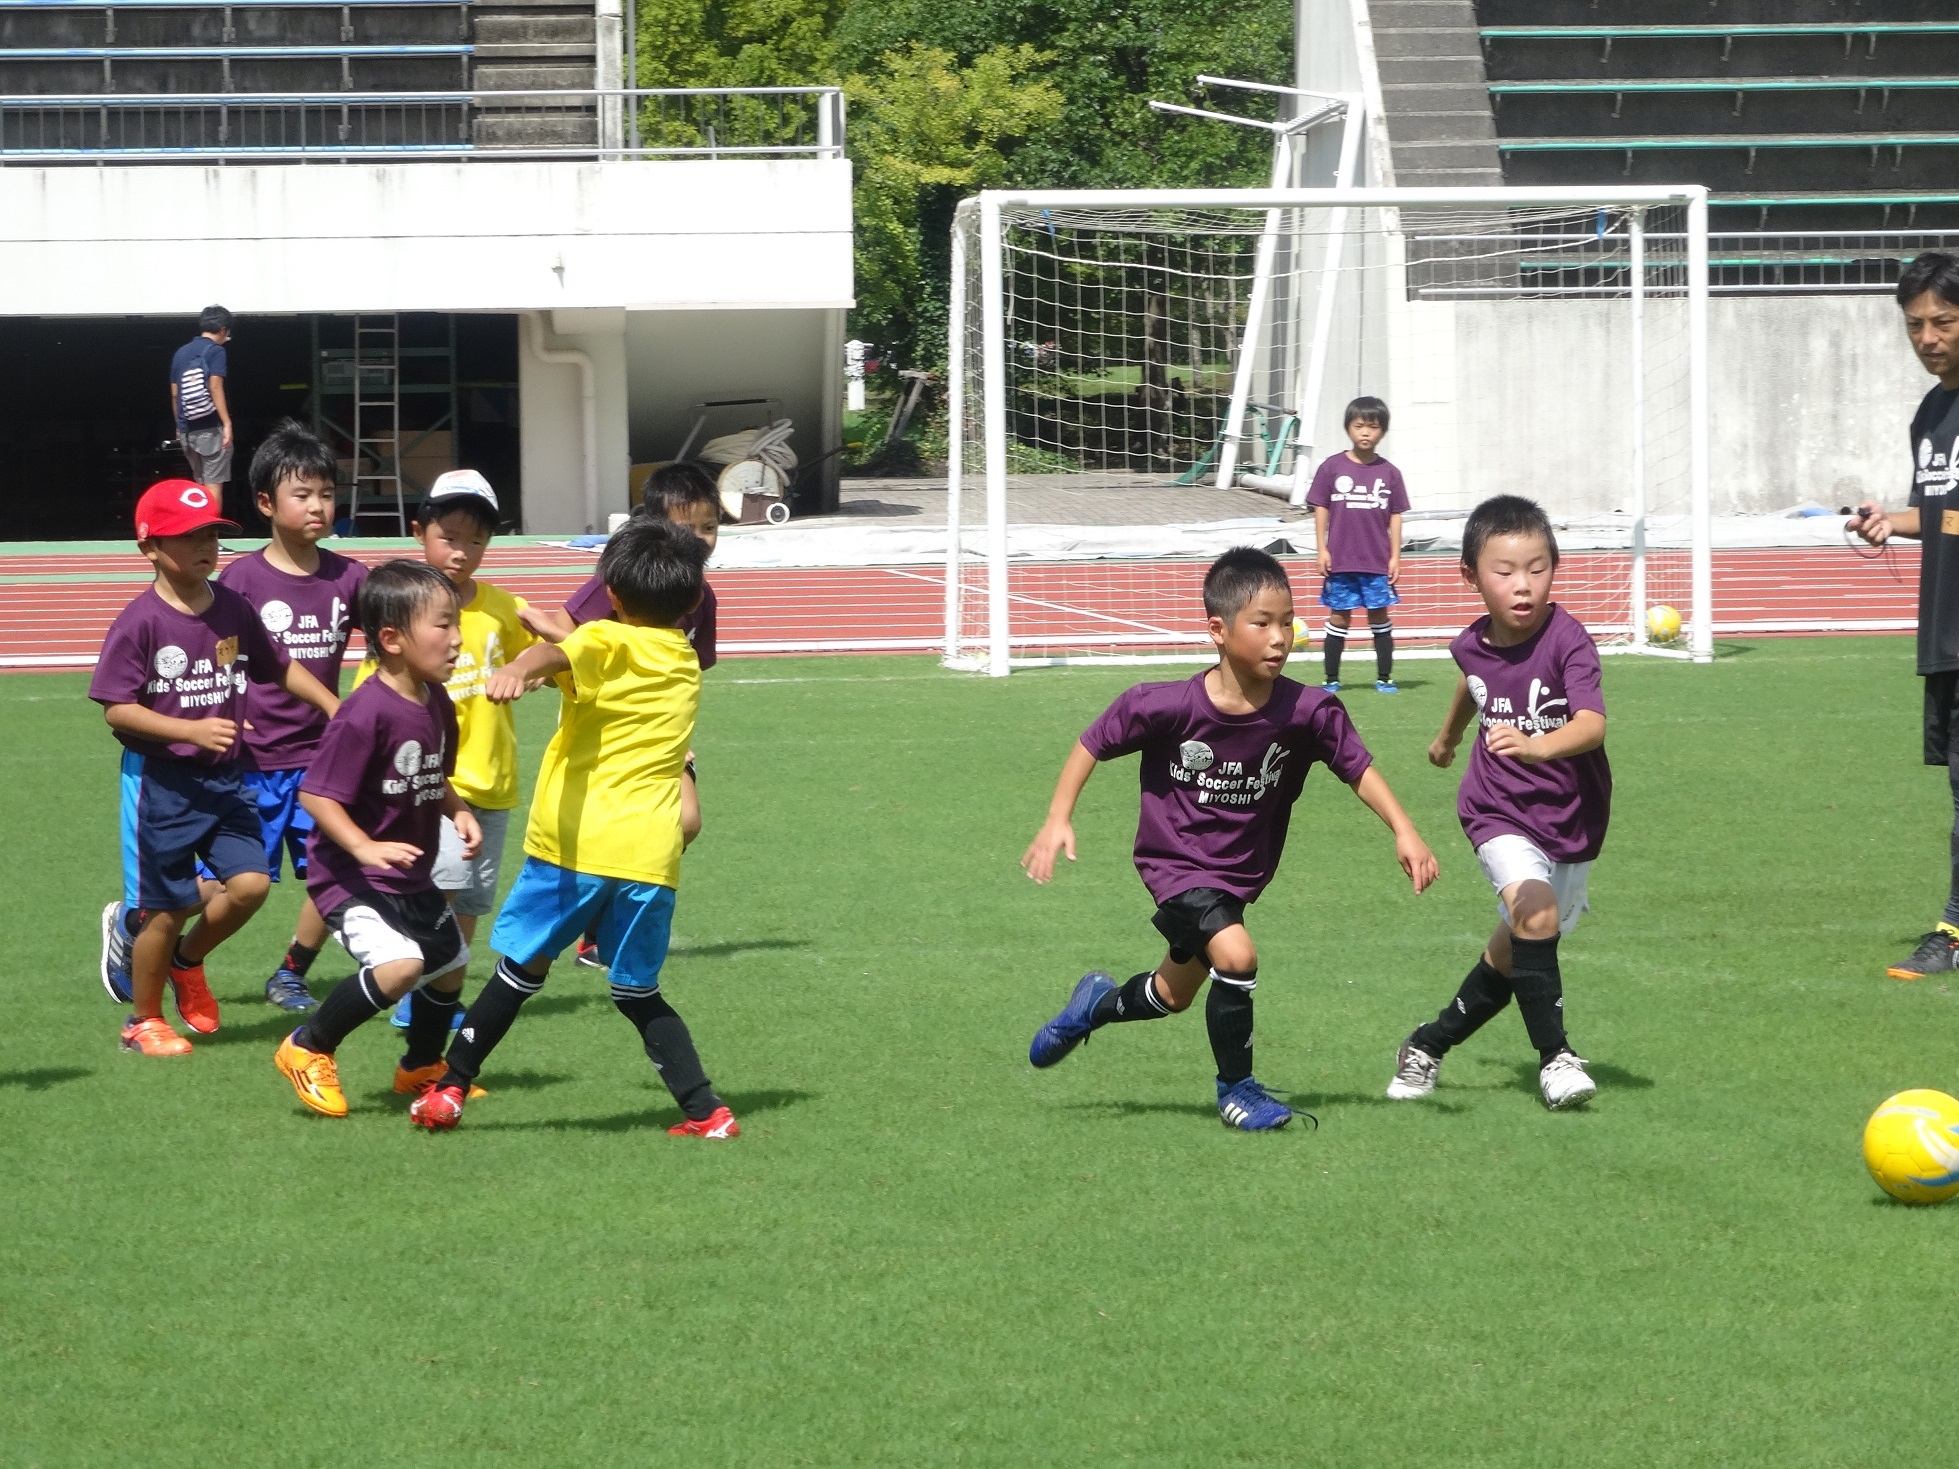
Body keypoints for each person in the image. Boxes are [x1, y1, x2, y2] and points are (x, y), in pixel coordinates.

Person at [1019, 546, 1439, 1131]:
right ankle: (1237, 1090)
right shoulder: (1160, 705)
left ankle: (1091, 1007)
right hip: (1176, 865)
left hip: (1235, 876)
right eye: (1261, 622)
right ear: (1217, 630)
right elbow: (1092, 742)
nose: (1279, 636)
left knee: (1171, 994)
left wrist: (1406, 831)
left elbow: (1357, 769)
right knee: (1237, 956)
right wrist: (1057, 818)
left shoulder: (1309, 713)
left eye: (1287, 621)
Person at [405, 517, 736, 1138]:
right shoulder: (683, 661)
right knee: (637, 992)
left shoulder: (603, 641)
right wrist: (556, 639)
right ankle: (707, 1111)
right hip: (650, 855)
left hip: (576, 847)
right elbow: (593, 655)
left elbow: (563, 652)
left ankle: (448, 1088)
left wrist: (519, 670)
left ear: (610, 594)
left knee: (519, 971)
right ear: (693, 601)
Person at [91, 479, 340, 1056]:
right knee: (169, 905)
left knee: (251, 885)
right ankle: (143, 1022)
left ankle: (188, 961)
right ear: (149, 546)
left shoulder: (232, 606)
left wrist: (334, 707)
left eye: (212, 535)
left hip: (226, 778)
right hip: (161, 784)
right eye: (187, 536)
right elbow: (116, 709)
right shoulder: (140, 621)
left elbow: (278, 666)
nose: (205, 547)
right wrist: (190, 730)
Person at [1384, 495, 1609, 1111]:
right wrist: (1448, 737)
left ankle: (1426, 1046)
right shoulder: (1472, 643)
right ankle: (1556, 1059)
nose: (1523, 585)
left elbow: (1591, 724)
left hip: (1571, 816)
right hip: (1495, 809)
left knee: (1516, 951)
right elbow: (1473, 678)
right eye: (1504, 571)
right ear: (1470, 576)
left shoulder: (1569, 639)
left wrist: (1538, 747)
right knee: (1534, 914)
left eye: (1537, 568)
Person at [273, 561, 483, 1117]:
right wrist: (363, 847)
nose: (457, 638)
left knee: (449, 959)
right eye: (442, 625)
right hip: (350, 876)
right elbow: (317, 796)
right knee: (401, 966)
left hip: (406, 873)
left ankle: (419, 1066)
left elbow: (433, 777)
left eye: (456, 623)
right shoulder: (364, 713)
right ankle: (307, 1046)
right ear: (391, 639)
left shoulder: (437, 701)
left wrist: (458, 810)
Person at [520, 462, 721, 967]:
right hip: (606, 734)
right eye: (686, 527)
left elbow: (690, 671)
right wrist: (552, 662)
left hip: (659, 736)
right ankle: (591, 929)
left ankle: (604, 927)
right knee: (607, 832)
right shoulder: (617, 583)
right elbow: (563, 631)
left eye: (709, 526)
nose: (700, 538)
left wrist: (676, 726)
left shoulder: (700, 596)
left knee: (688, 822)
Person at [354, 470, 530, 1028]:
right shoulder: (403, 613)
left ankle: (442, 993)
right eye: (449, 536)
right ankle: (419, 998)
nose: (461, 551)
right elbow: (367, 690)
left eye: (475, 540)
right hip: (432, 785)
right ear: (419, 532)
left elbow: (541, 657)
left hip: (494, 780)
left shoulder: (504, 607)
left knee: (473, 900)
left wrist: (524, 673)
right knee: (443, 893)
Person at [213, 420, 368, 1013]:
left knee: (338, 867)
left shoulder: (349, 577)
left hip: (321, 760)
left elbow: (386, 642)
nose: (317, 506)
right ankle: (140, 921)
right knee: (230, 881)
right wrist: (232, 712)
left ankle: (290, 971)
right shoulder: (243, 579)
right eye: (301, 494)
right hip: (251, 760)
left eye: (326, 494)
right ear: (264, 503)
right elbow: (219, 654)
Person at [1848, 251, 1959, 979]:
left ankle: (1951, 932)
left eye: (1943, 321)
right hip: (1945, 628)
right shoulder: (1929, 411)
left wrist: (1930, 519)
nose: (1927, 336)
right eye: (1914, 324)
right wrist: (1892, 520)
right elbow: (1939, 511)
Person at [1306, 396, 1409, 695]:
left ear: (1383, 432)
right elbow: (1320, 507)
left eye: (1373, 427)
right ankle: (1331, 678)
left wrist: (1395, 557)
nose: (1365, 432)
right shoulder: (1332, 467)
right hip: (1340, 561)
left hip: (1376, 562)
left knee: (1380, 616)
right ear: (1348, 429)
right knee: (1338, 617)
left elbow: (1396, 516)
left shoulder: (1390, 473)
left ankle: (1385, 677)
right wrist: (1321, 549)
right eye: (1359, 426)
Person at [171, 306, 234, 499]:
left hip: (187, 431)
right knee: (213, 483)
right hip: (210, 429)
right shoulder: (216, 351)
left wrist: (179, 427)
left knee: (199, 484)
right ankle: (211, 530)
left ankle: (200, 529)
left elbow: (175, 394)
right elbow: (215, 387)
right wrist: (227, 423)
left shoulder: (180, 354)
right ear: (223, 330)